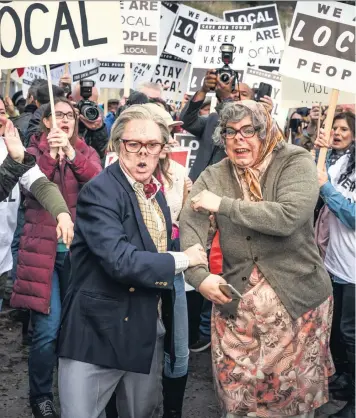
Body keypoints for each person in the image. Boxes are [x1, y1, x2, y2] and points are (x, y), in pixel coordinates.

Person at [180, 100, 334, 418]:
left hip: (298, 301)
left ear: (264, 132)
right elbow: (190, 223)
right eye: (231, 132)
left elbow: (288, 217)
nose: (239, 139)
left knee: (287, 401)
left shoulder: (296, 161)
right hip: (235, 300)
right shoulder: (215, 174)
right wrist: (199, 275)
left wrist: (223, 205)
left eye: (248, 131)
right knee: (236, 397)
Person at [57, 105, 207, 418]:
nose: (142, 154)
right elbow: (121, 261)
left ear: (164, 149)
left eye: (152, 145)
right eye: (133, 144)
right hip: (96, 334)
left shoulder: (156, 193)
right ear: (117, 145)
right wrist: (183, 259)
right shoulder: (100, 192)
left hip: (142, 331)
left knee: (141, 413)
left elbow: (154, 247)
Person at [10, 97, 102, 418]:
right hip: (43, 256)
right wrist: (51, 156)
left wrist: (72, 155)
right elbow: (32, 186)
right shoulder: (32, 152)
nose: (66, 120)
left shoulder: (85, 151)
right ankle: (41, 396)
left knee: (74, 328)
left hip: (78, 256)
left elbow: (97, 182)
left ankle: (72, 392)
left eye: (71, 116)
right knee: (47, 331)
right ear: (47, 121)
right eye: (59, 115)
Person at [0, 101, 74, 313]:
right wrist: (14, 163)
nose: (2, 118)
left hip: (2, 263)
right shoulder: (15, 153)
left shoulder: (11, 147)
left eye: (3, 112)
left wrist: (62, 213)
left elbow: (40, 183)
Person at [143, 103, 190, 417]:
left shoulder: (179, 173)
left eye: (167, 133)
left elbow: (187, 224)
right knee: (140, 345)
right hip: (139, 269)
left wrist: (192, 203)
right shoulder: (120, 171)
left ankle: (173, 412)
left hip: (174, 268)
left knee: (178, 346)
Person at [314, 111, 355, 418]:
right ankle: (345, 379)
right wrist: (321, 151)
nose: (338, 132)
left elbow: (352, 216)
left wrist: (326, 187)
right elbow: (318, 180)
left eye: (344, 129)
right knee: (338, 331)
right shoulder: (341, 161)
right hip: (335, 262)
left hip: (354, 269)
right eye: (335, 128)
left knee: (351, 333)